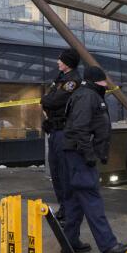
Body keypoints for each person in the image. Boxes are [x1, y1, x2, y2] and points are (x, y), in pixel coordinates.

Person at [61, 66, 127, 253]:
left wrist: (99, 153)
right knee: (91, 197)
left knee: (76, 199)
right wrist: (89, 154)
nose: (107, 83)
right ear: (98, 80)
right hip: (79, 154)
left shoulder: (88, 94)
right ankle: (108, 246)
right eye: (105, 79)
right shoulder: (87, 96)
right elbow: (80, 128)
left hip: (78, 153)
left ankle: (69, 241)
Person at [40, 48, 82, 222]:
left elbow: (54, 100)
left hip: (64, 132)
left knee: (64, 173)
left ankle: (70, 209)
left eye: (60, 60)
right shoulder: (60, 79)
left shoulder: (73, 81)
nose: (57, 62)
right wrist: (47, 101)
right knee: (55, 172)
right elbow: (49, 98)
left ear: (68, 62)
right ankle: (64, 207)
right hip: (55, 131)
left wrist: (46, 101)